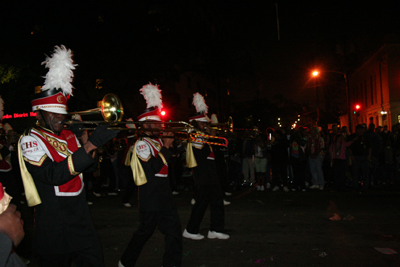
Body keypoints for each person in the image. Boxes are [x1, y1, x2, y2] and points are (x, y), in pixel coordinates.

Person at [19, 46, 118, 266]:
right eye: (53, 113)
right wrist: (91, 143)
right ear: (40, 113)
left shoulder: (68, 135)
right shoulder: (30, 138)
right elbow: (53, 174)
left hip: (82, 224)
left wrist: (84, 139)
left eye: (61, 113)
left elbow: (90, 170)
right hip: (53, 228)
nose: (59, 117)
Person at [119, 83, 182, 267]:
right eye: (155, 123)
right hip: (151, 194)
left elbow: (168, 163)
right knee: (145, 232)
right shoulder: (141, 144)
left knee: (174, 230)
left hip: (164, 194)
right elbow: (152, 168)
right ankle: (125, 261)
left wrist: (170, 147)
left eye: (159, 122)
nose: (159, 126)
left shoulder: (157, 142)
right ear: (145, 125)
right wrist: (167, 147)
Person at [182, 92, 229, 241]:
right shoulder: (196, 137)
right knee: (201, 205)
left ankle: (215, 229)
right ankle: (190, 229)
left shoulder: (202, 136)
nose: (206, 125)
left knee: (216, 203)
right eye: (203, 123)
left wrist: (210, 134)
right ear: (197, 123)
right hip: (203, 176)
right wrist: (209, 134)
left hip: (210, 175)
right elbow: (199, 150)